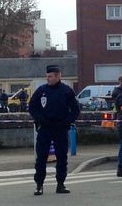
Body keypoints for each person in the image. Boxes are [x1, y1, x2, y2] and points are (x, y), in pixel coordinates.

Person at [29, 65, 80, 195]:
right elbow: (32, 108)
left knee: (62, 157)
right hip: (45, 128)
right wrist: (40, 119)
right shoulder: (41, 90)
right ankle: (39, 185)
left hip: (60, 128)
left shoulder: (66, 91)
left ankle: (60, 184)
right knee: (41, 158)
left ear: (58, 76)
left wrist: (66, 121)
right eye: (47, 77)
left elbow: (75, 110)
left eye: (50, 76)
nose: (48, 79)